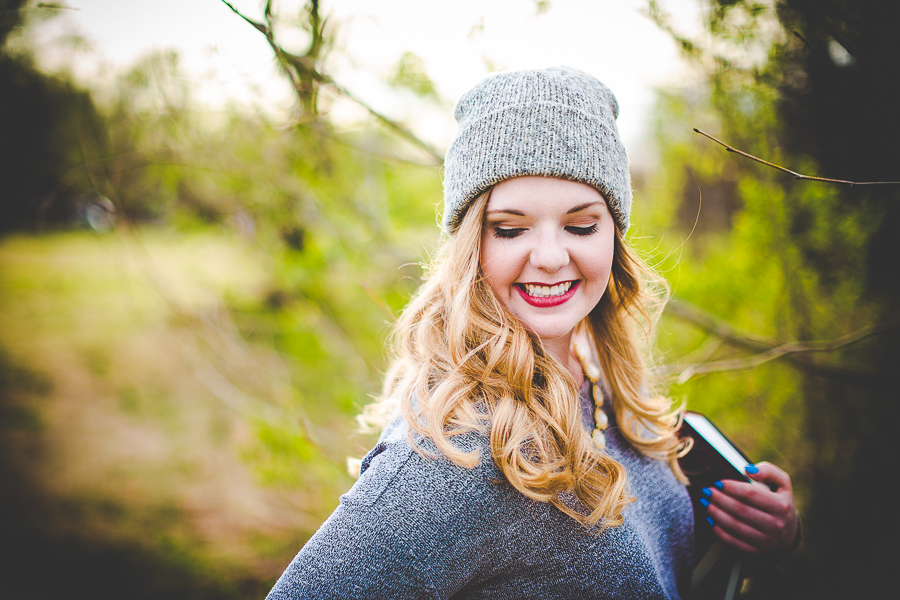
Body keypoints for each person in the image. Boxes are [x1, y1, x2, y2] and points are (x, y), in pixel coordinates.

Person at [266, 66, 799, 600]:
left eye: (581, 225)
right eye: (511, 229)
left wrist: (770, 541)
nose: (548, 257)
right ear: (472, 246)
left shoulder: (596, 384)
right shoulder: (456, 455)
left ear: (613, 235)